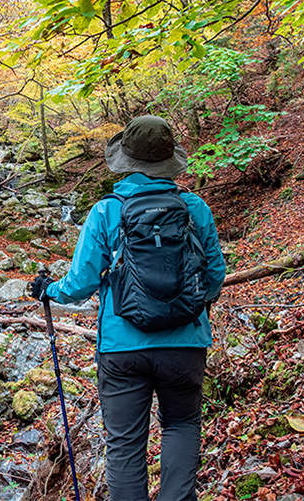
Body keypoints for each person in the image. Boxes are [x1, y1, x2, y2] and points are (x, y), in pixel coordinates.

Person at [33, 115, 226, 501]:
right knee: (182, 425)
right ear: (169, 161)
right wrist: (191, 305)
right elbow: (216, 273)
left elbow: (81, 284)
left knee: (124, 443)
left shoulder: (107, 211)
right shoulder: (194, 208)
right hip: (185, 345)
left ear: (127, 160)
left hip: (122, 349)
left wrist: (47, 290)